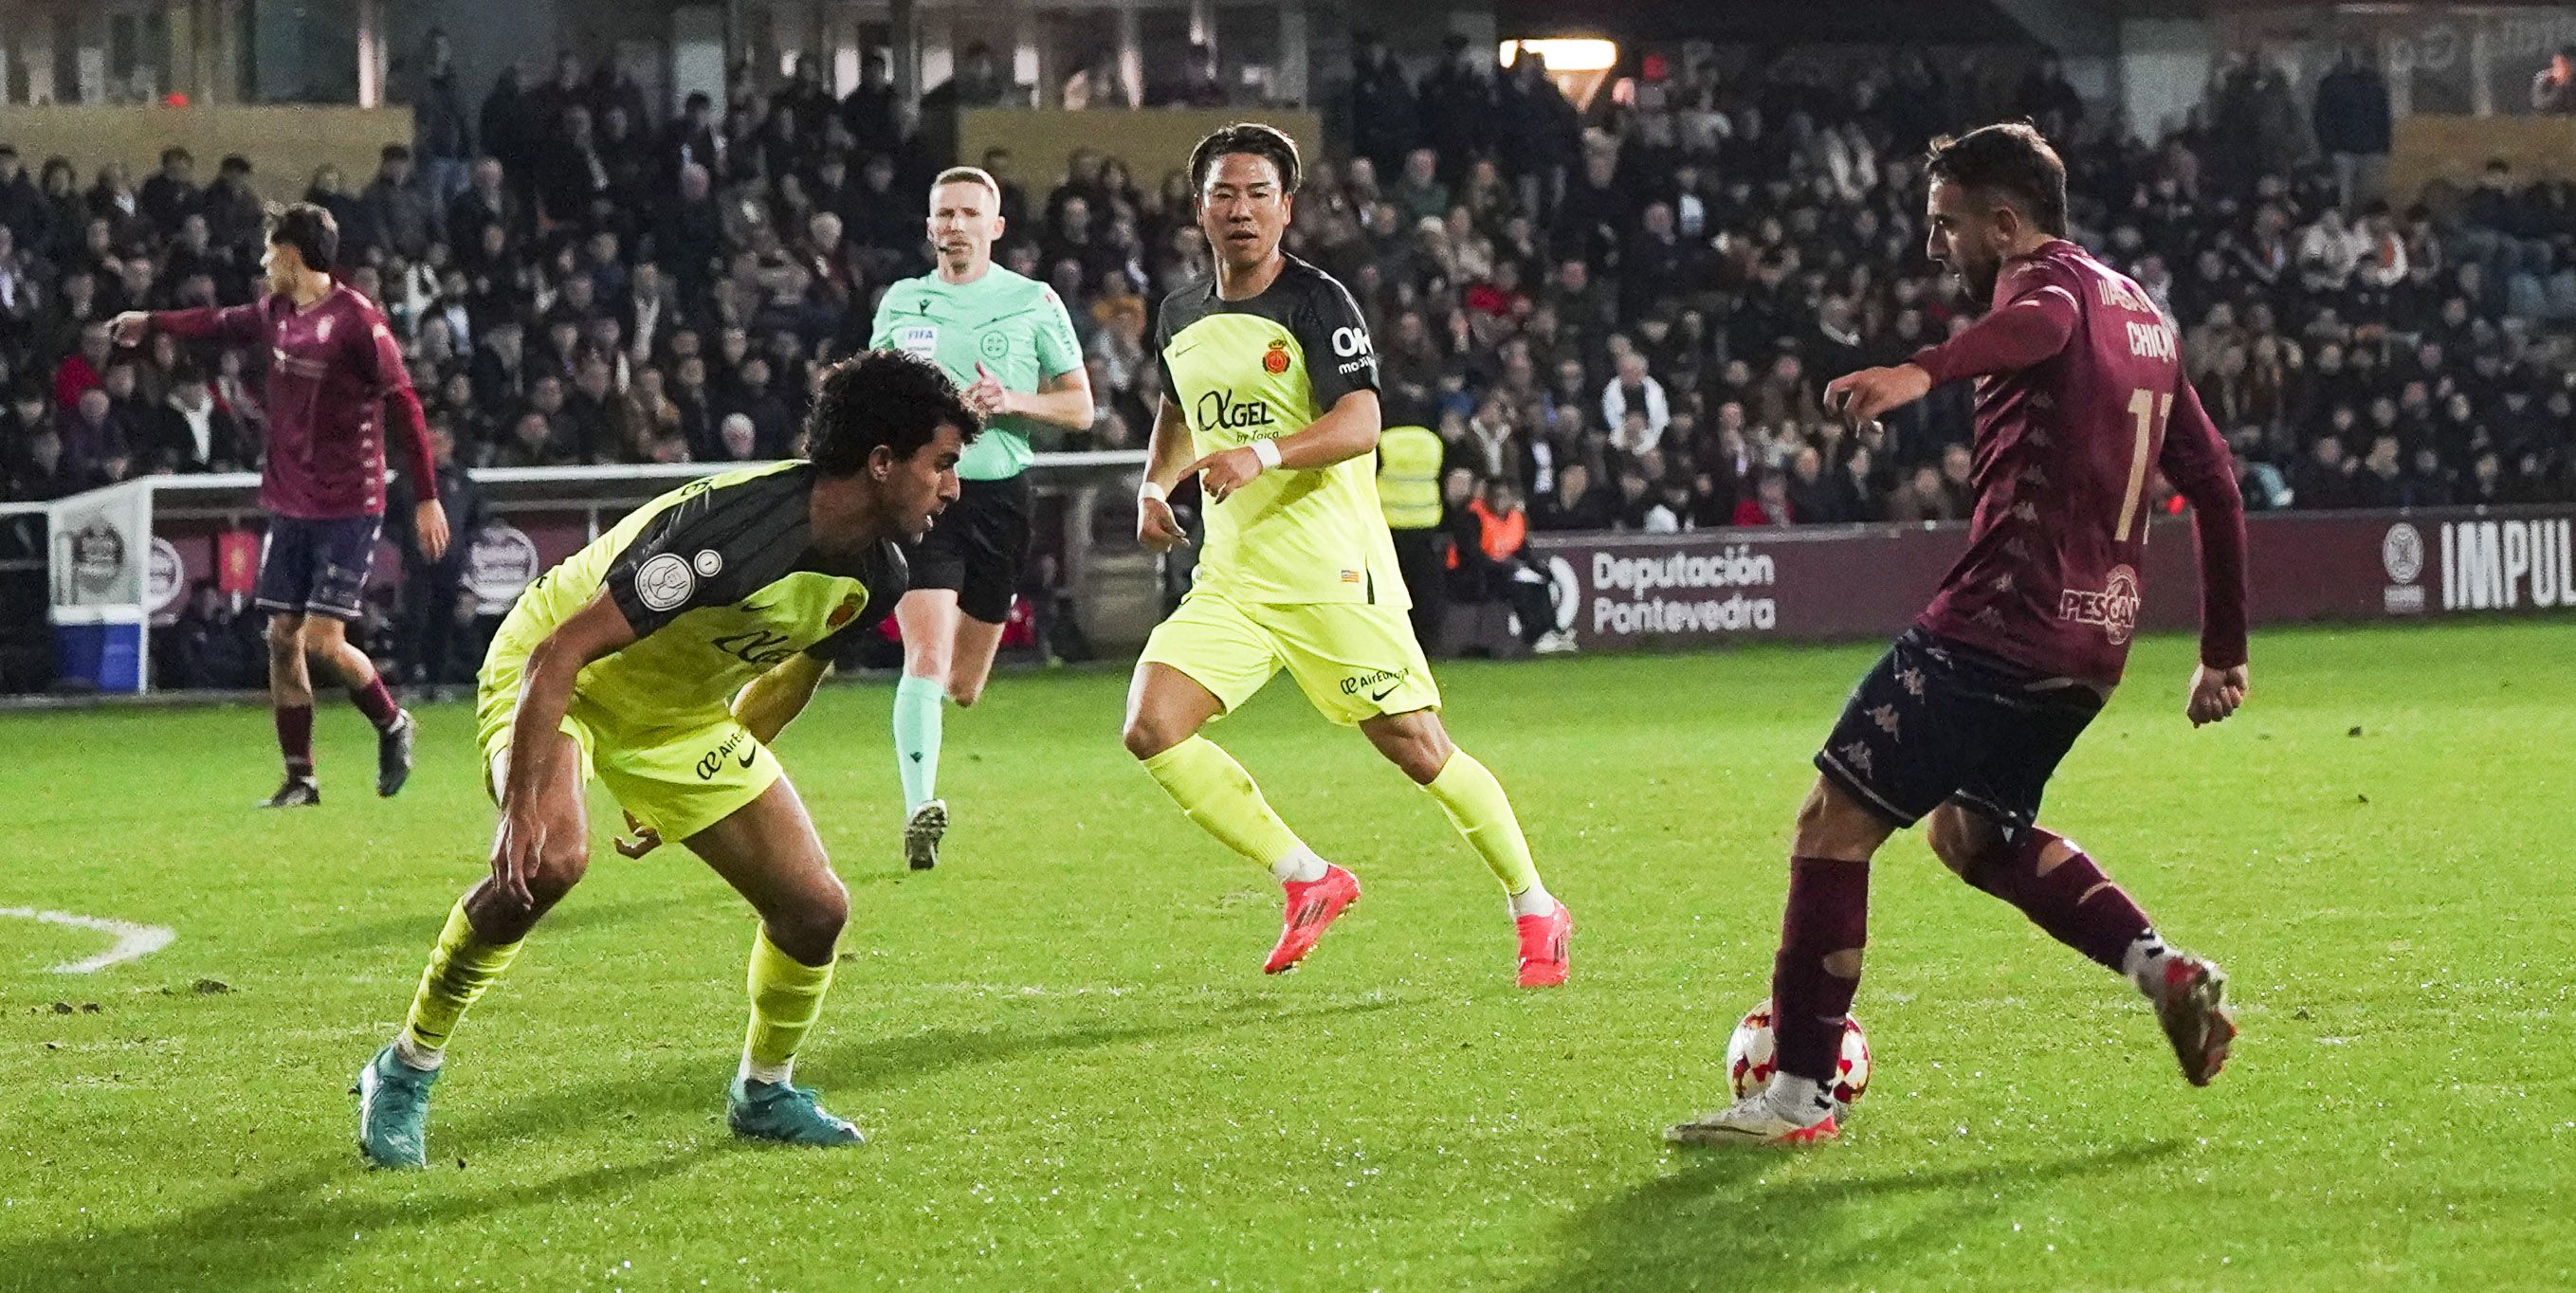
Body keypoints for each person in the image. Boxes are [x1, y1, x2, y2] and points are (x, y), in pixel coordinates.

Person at [1667, 124, 2250, 1146]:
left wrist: (1920, 371)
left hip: (1996, 625)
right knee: (1974, 834)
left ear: (2002, 222)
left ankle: (1796, 1092)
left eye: (1945, 225)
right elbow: (2212, 481)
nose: (1935, 245)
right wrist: (2222, 648)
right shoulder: (2144, 319)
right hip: (2088, 648)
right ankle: (2164, 971)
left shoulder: (2048, 289)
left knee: (1828, 825)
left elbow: (2033, 329)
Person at [351, 351, 979, 1169]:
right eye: (944, 464)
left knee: (815, 909)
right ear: (882, 462)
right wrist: (517, 816)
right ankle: (403, 1069)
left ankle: (764, 1091)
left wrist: (696, 789)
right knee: (549, 862)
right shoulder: (738, 533)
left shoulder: (879, 573)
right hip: (559, 672)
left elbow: (788, 683)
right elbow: (559, 657)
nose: (952, 488)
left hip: (678, 714)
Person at [1126, 123, 1572, 988]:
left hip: (1328, 570)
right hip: (1233, 575)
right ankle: (1306, 878)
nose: (1240, 209)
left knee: (1415, 745)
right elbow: (1175, 411)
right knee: (1151, 725)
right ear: (1199, 208)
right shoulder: (1180, 313)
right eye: (1224, 193)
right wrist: (1154, 487)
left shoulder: (1316, 302)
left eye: (1258, 193)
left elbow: (1360, 421)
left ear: (1286, 209)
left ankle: (1534, 903)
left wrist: (1261, 454)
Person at [111, 204, 449, 809]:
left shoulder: (358, 322)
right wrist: (151, 320)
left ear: (292, 255)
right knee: (281, 636)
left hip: (349, 502)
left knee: (323, 640)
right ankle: (301, 778)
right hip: (291, 502)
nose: (265, 263)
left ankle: (393, 722)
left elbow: (406, 408)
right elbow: (213, 321)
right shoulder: (277, 312)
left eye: (271, 252)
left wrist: (426, 496)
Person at [863, 166, 1093, 870]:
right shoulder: (902, 301)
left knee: (962, 687)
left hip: (999, 497)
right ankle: (917, 809)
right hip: (923, 497)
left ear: (994, 229)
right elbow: (873, 390)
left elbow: (1079, 409)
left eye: (968, 213)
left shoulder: (1032, 300)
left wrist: (1013, 400)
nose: (954, 225)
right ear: (929, 226)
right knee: (924, 658)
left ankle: (928, 765)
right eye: (943, 214)